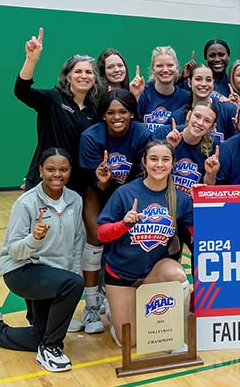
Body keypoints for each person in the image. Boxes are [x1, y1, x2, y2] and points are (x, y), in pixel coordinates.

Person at [0, 148, 85, 372]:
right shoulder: (26, 203)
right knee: (73, 285)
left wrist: (71, 274)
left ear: (70, 172)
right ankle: (50, 348)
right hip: (22, 271)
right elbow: (14, 251)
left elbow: (78, 242)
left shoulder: (74, 200)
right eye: (50, 169)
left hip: (52, 275)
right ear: (40, 170)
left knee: (38, 334)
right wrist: (34, 239)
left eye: (63, 170)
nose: (57, 174)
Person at [97, 140, 193, 347]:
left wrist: (205, 201)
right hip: (121, 274)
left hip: (153, 273)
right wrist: (123, 224)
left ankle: (171, 333)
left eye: (165, 159)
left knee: (177, 275)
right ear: (144, 162)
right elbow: (102, 234)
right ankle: (113, 309)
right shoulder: (125, 193)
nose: (159, 164)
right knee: (128, 343)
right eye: (153, 159)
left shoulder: (181, 199)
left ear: (173, 164)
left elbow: (196, 234)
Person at [78, 90, 153, 333]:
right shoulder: (91, 137)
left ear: (132, 113)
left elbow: (144, 175)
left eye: (123, 111)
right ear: (102, 115)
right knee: (96, 239)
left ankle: (116, 296)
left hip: (130, 194)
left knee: (128, 239)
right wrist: (101, 181)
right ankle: (90, 305)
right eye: (110, 112)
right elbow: (92, 181)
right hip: (97, 192)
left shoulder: (142, 134)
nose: (117, 117)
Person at [14, 27, 99, 197]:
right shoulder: (54, 99)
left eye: (89, 72)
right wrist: (31, 59)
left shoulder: (94, 111)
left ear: (94, 78)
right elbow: (21, 91)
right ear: (68, 76)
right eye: (78, 71)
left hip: (76, 185)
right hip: (44, 181)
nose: (84, 76)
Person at [154, 100, 220, 195]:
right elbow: (150, 174)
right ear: (188, 116)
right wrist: (169, 147)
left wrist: (210, 174)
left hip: (191, 202)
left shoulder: (214, 147)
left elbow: (208, 193)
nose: (200, 123)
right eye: (197, 116)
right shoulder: (163, 134)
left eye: (207, 121)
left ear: (212, 127)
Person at [133, 46, 191, 133]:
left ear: (177, 68)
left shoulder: (186, 97)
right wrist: (135, 97)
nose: (165, 70)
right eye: (159, 66)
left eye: (170, 65)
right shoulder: (143, 93)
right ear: (153, 69)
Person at [184, 63, 237, 142]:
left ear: (213, 83)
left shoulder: (229, 110)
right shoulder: (179, 114)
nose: (204, 84)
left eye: (208, 80)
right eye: (198, 79)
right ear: (189, 82)